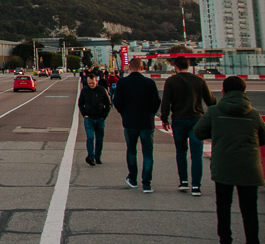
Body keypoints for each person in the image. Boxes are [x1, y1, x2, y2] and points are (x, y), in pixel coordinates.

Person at [194, 76, 265, 244]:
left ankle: (225, 239)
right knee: (250, 209)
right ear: (244, 91)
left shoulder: (214, 112)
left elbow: (198, 132)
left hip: (223, 165)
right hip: (249, 167)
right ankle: (252, 240)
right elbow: (263, 139)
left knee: (224, 206)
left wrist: (218, 133)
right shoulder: (254, 114)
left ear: (223, 91)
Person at [159, 56, 215, 195]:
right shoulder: (199, 80)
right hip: (197, 119)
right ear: (188, 66)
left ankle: (183, 181)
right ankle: (196, 186)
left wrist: (164, 118)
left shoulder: (171, 81)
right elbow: (211, 101)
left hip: (178, 119)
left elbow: (166, 102)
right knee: (196, 153)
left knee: (181, 151)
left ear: (175, 66)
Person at [113, 57, 161, 192]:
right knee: (147, 153)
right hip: (146, 122)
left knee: (131, 150)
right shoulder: (149, 83)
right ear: (142, 68)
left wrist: (124, 113)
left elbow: (117, 101)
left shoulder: (123, 82)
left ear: (129, 67)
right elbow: (156, 102)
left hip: (129, 121)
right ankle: (147, 183)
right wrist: (150, 113)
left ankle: (132, 178)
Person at [78, 71, 112, 165]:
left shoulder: (102, 90)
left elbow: (108, 104)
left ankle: (98, 156)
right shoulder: (85, 90)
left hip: (100, 118)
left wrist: (104, 116)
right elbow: (80, 103)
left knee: (99, 139)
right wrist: (84, 114)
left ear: (96, 81)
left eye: (92, 83)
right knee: (90, 137)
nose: (91, 85)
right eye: (89, 83)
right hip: (89, 118)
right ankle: (91, 156)